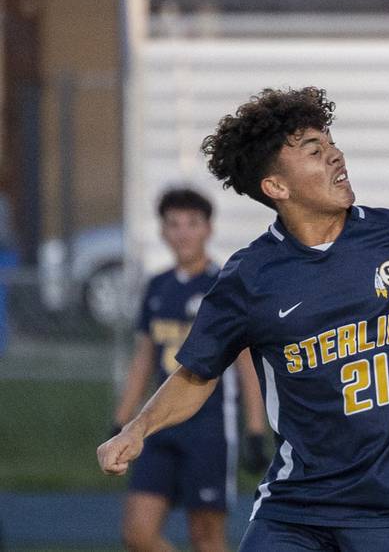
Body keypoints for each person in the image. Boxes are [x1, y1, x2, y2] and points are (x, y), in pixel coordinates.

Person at [98, 87, 389, 552]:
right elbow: (196, 374)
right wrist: (137, 428)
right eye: (315, 150)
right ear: (277, 187)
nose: (336, 155)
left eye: (331, 143)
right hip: (295, 507)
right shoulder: (249, 278)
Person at [110, 188, 268, 552]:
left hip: (209, 429)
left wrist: (255, 429)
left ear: (208, 229)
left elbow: (245, 364)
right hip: (158, 428)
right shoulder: (157, 286)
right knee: (137, 533)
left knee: (206, 537)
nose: (183, 233)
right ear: (163, 231)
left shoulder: (223, 285)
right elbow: (144, 358)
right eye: (174, 224)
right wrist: (123, 420)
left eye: (192, 224)